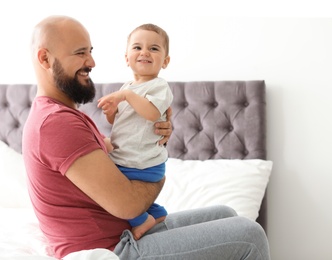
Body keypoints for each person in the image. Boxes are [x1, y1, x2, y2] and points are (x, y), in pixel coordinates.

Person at [23, 15, 271, 260]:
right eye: (80, 53)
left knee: (225, 213)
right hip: (109, 249)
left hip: (122, 232)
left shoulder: (63, 115)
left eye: (90, 51)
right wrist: (157, 166)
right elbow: (129, 205)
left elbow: (108, 152)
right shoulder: (56, 123)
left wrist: (151, 138)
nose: (92, 62)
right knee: (250, 235)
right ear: (45, 58)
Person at [97, 23, 173, 240]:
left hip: (143, 162)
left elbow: (150, 113)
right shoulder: (126, 87)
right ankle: (155, 213)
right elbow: (121, 122)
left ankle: (142, 219)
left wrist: (127, 96)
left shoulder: (159, 86)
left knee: (111, 189)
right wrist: (111, 113)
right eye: (137, 47)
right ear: (126, 57)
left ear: (165, 61)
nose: (145, 52)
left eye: (154, 48)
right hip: (127, 157)